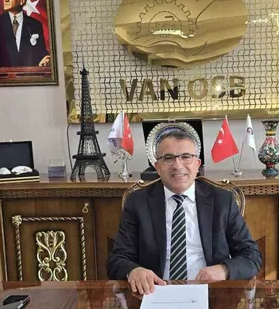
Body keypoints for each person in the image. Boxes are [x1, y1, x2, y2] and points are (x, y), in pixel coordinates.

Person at [107, 125, 262, 294]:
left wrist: (224, 270)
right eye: (168, 158)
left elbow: (252, 256)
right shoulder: (138, 202)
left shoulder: (222, 200)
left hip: (211, 294)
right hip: (155, 292)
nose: (177, 165)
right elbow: (117, 259)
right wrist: (133, 271)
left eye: (186, 157)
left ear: (197, 164)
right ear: (157, 167)